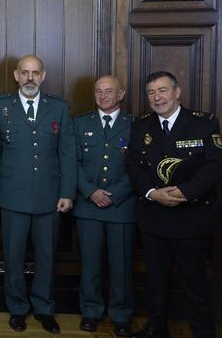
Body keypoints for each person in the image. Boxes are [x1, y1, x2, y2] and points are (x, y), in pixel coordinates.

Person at [127, 71, 222, 338]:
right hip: (154, 216)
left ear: (176, 92)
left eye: (162, 90)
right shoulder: (140, 126)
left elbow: (215, 167)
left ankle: (203, 332)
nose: (157, 97)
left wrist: (182, 192)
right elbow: (133, 166)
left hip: (191, 218)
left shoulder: (202, 124)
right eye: (151, 92)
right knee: (156, 281)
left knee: (196, 283)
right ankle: (156, 328)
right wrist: (151, 193)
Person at [0, 55, 76, 334]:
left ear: (43, 75)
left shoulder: (59, 108)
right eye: (25, 73)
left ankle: (44, 308)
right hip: (12, 196)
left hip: (49, 197)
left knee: (47, 256)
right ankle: (17, 308)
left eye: (35, 73)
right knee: (13, 257)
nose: (30, 78)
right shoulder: (1, 107)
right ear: (16, 76)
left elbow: (67, 153)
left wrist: (67, 192)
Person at [73, 75, 134, 336]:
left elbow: (139, 166)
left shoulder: (135, 125)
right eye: (99, 91)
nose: (104, 96)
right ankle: (91, 311)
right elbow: (70, 162)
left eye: (109, 91)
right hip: (88, 206)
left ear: (121, 93)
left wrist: (115, 194)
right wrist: (90, 191)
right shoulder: (79, 123)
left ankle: (120, 314)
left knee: (121, 266)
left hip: (122, 207)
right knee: (90, 265)